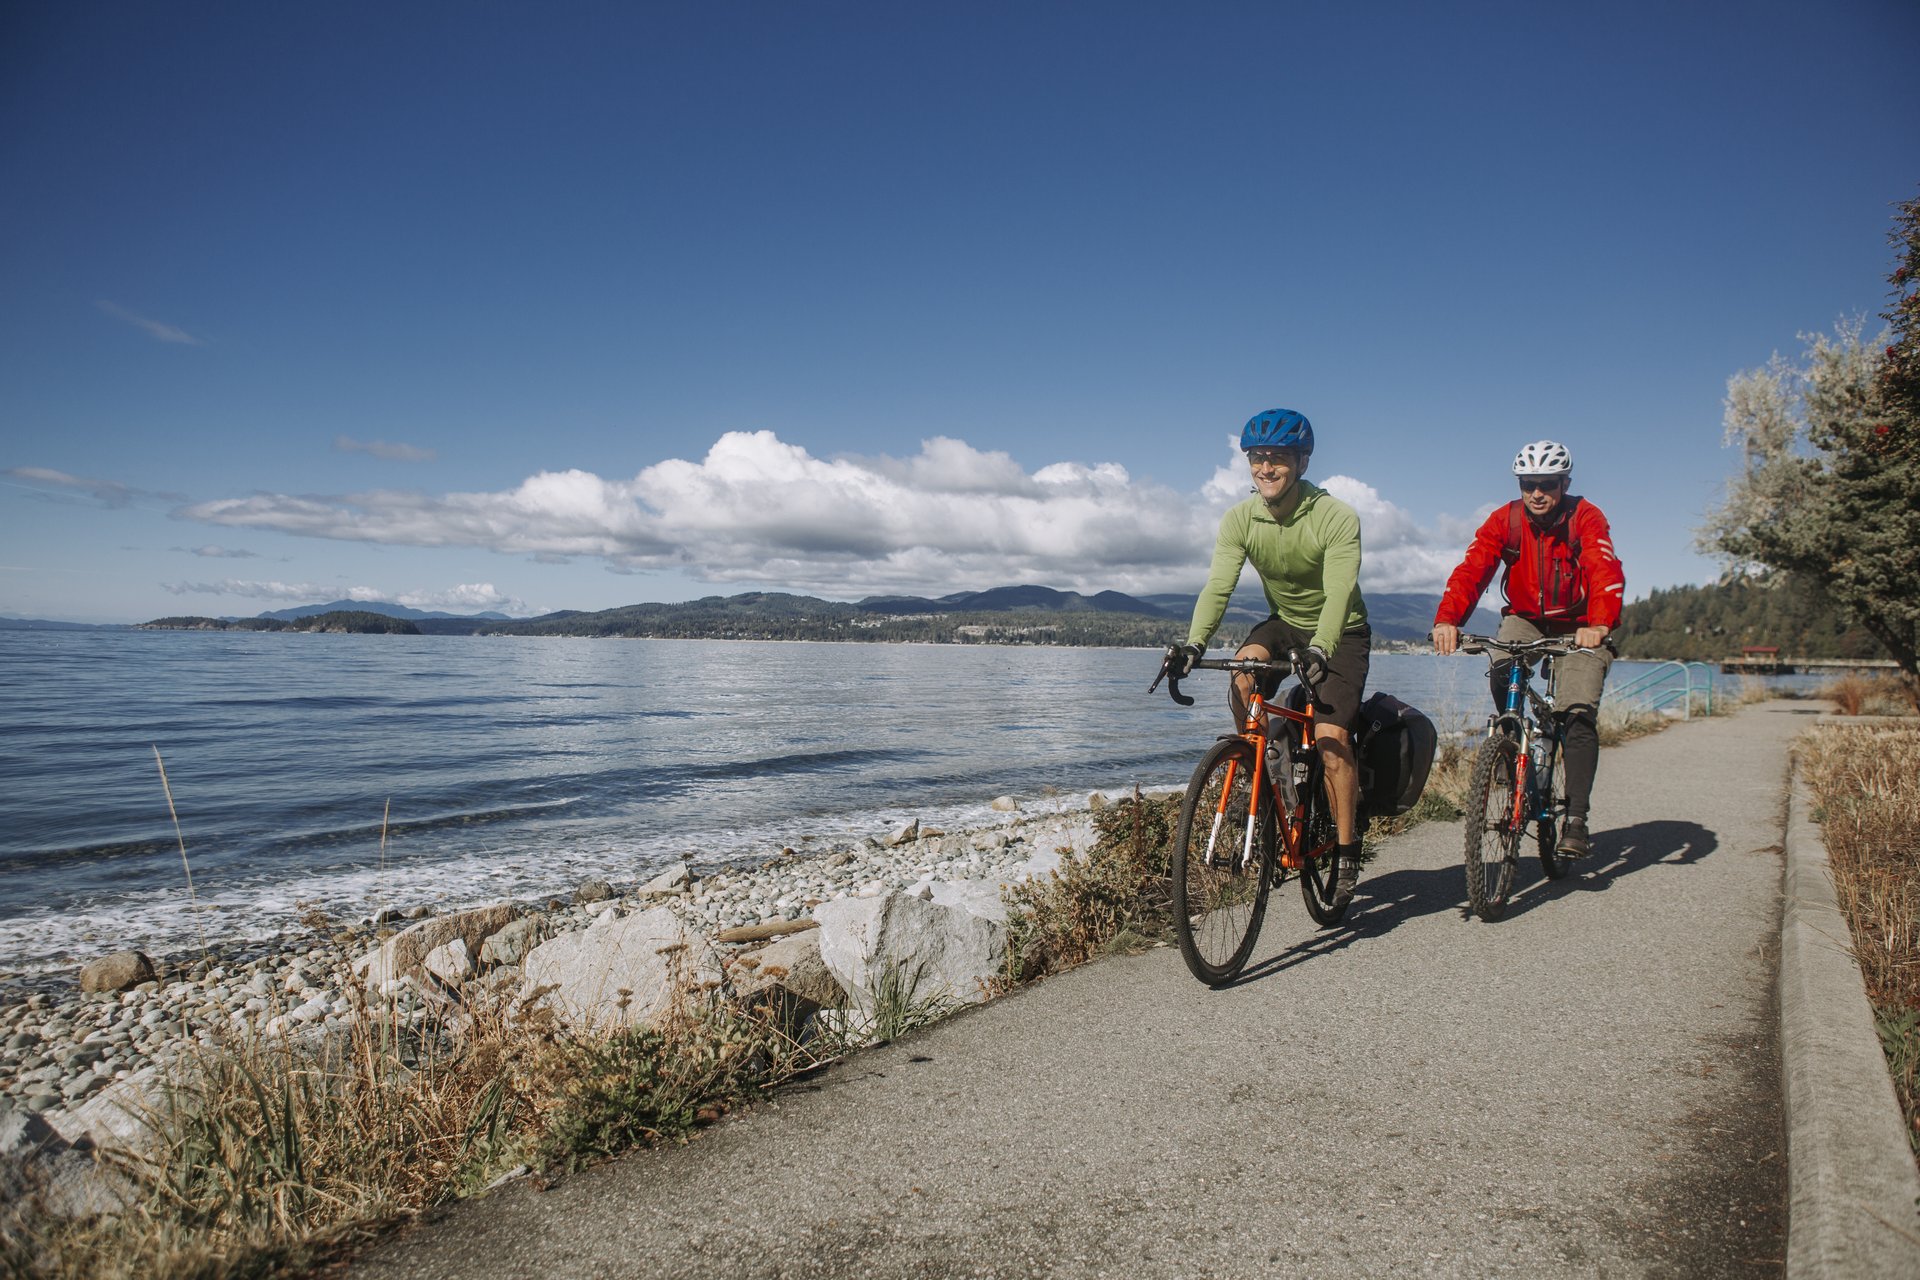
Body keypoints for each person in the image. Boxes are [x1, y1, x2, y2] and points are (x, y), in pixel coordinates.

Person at [1168, 408, 1372, 896]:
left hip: (1341, 631)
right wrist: (1194, 643)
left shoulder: (1335, 516)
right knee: (1242, 673)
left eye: (1277, 457)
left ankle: (1345, 852)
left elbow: (1340, 589)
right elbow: (1220, 585)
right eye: (1256, 458)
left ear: (1301, 462)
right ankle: (1264, 772)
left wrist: (1322, 647)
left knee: (1330, 739)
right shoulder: (1241, 518)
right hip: (1285, 625)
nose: (1265, 468)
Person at [1430, 440, 1626, 857]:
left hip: (1579, 623)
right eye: (1528, 484)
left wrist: (1599, 623)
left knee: (1576, 712)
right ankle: (1510, 737)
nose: (1537, 493)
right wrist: (1448, 619)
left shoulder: (1585, 517)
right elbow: (1472, 569)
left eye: (1548, 484)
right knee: (1501, 667)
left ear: (1564, 483)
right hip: (1525, 617)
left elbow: (1603, 567)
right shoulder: (1507, 520)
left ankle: (1575, 819)